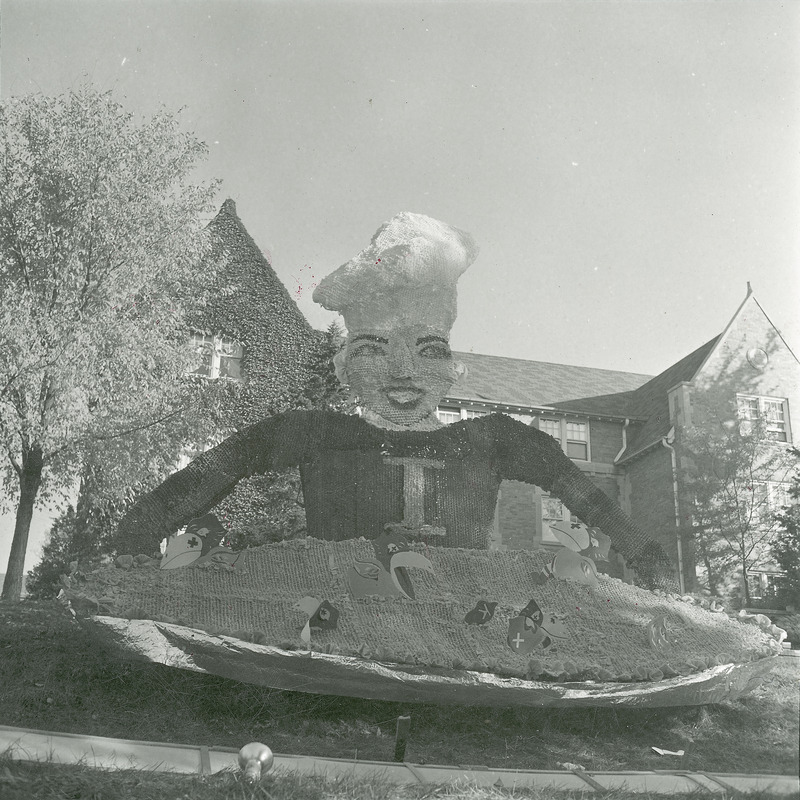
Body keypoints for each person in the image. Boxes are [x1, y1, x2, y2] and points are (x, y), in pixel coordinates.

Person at [116, 213, 675, 589]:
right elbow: (220, 466)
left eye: (427, 349)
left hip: (465, 610)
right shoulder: (317, 432)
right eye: (373, 348)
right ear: (342, 366)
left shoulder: (493, 439)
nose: (404, 371)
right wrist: (136, 533)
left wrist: (642, 550)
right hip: (338, 606)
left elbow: (578, 489)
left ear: (453, 370)